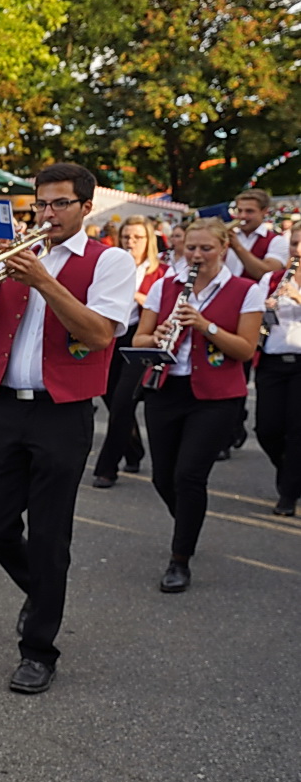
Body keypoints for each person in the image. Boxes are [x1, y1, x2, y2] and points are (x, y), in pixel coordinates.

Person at [0, 163, 137, 695]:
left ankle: (39, 650)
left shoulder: (109, 261)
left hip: (63, 411)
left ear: (85, 208)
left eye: (59, 204)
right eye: (40, 204)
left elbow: (98, 335)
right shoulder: (10, 256)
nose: (46, 215)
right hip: (2, 403)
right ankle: (44, 595)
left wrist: (43, 280)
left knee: (50, 535)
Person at [132, 219, 262, 592]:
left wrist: (206, 326)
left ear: (223, 249)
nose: (196, 256)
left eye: (206, 249)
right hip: (166, 388)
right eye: (191, 248)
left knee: (189, 476)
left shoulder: (244, 290)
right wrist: (155, 336)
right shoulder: (164, 286)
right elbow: (140, 338)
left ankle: (179, 559)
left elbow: (246, 350)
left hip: (216, 397)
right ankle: (188, 522)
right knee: (162, 477)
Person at [91, 215, 164, 488]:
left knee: (123, 401)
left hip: (141, 337)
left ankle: (107, 468)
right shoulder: (112, 264)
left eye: (137, 238)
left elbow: (163, 305)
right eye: (126, 237)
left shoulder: (160, 272)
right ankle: (133, 450)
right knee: (111, 398)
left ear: (149, 241)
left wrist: (138, 296)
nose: (131, 242)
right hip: (112, 334)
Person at [254, 222, 301, 515]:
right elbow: (254, 317)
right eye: (295, 244)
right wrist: (265, 308)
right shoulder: (272, 278)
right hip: (271, 360)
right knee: (267, 429)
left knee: (297, 431)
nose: (298, 250)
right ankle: (291, 475)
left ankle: (288, 493)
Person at [225, 188, 289, 280]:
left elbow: (267, 274)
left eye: (249, 211)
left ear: (264, 211)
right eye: (239, 211)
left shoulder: (278, 241)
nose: (242, 216)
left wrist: (237, 247)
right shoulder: (229, 235)